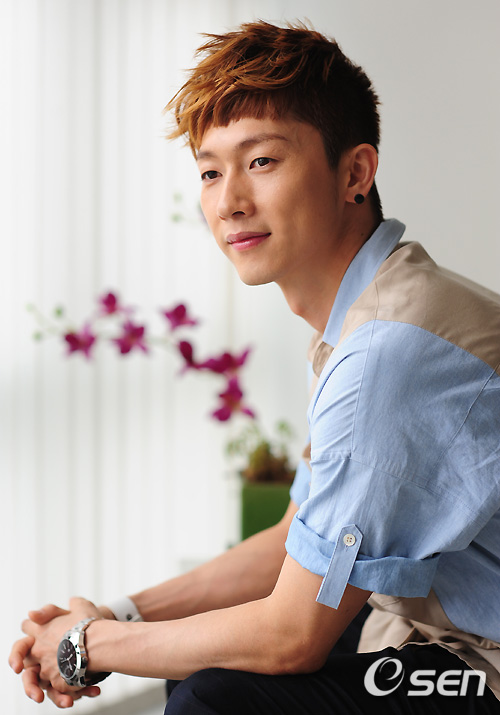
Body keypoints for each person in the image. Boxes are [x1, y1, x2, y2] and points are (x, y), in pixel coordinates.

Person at [9, 20, 500, 714]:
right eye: (211, 172)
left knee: (216, 696)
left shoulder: (389, 354)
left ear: (355, 173)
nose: (229, 201)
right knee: (206, 655)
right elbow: (291, 545)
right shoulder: (369, 314)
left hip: (484, 661)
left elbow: (292, 635)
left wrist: (86, 644)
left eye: (262, 161)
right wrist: (120, 615)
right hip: (444, 630)